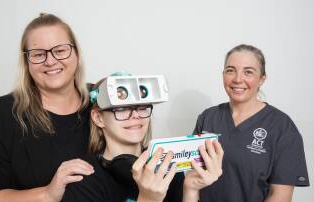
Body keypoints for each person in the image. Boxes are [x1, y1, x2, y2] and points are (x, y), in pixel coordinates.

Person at [0, 13, 95, 202]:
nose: (50, 61)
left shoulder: (103, 102)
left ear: (76, 53)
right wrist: (47, 194)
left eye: (60, 50)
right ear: (27, 63)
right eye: (39, 54)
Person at [63, 74, 224, 202]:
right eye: (121, 109)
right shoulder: (83, 179)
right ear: (98, 118)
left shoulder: (167, 166)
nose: (136, 116)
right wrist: (149, 199)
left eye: (141, 107)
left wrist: (191, 190)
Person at [193, 44, 310, 201]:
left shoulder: (282, 127)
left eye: (248, 72)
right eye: (230, 70)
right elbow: (193, 176)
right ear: (223, 75)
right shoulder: (208, 118)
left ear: (262, 79)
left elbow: (280, 196)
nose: (237, 79)